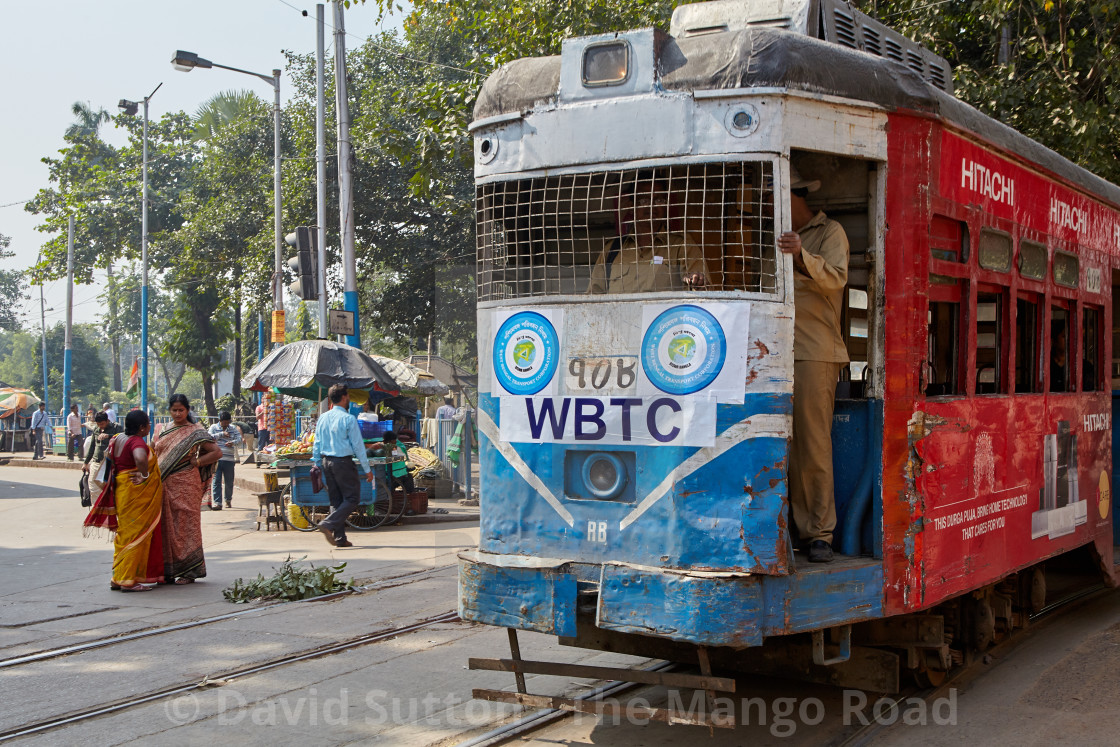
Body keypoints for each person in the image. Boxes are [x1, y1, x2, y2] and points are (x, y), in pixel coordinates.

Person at [777, 165, 849, 564]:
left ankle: (819, 533)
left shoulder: (830, 233)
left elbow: (836, 279)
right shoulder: (774, 236)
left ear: (796, 197)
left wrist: (800, 255)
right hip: (773, 350)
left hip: (814, 351)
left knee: (813, 445)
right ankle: (782, 524)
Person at [83, 410, 164, 591]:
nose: (149, 427)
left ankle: (118, 577)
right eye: (148, 424)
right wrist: (144, 474)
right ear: (142, 427)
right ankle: (127, 580)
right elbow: (140, 458)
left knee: (125, 534)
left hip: (122, 490)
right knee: (135, 535)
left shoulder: (118, 438)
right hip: (134, 493)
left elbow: (110, 457)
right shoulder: (136, 442)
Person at [587, 173, 708, 294]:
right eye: (644, 200)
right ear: (631, 206)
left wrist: (698, 283)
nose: (651, 206)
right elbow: (593, 298)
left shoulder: (680, 246)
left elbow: (703, 293)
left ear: (666, 205)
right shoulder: (612, 250)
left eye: (659, 200)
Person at [151, 394, 222, 584]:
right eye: (174, 410)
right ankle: (168, 571)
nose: (177, 413)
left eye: (181, 410)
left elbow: (216, 452)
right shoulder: (161, 429)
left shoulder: (195, 431)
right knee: (166, 525)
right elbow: (152, 451)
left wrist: (198, 461)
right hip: (164, 484)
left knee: (186, 526)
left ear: (187, 410)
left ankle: (189, 571)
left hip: (187, 484)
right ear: (169, 410)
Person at [312, 384, 376, 548]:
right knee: (352, 498)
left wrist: (317, 463)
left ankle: (340, 538)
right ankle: (328, 523)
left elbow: (316, 444)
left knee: (336, 500)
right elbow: (358, 446)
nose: (348, 399)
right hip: (343, 462)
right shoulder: (348, 419)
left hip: (327, 462)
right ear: (344, 397)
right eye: (347, 397)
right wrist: (367, 470)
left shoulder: (323, 418)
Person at [207, 411, 242, 510]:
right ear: (220, 421)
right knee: (216, 480)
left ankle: (228, 500)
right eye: (223, 423)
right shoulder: (214, 428)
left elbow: (239, 439)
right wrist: (221, 434)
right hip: (216, 459)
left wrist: (233, 442)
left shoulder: (233, 428)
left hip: (229, 459)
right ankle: (218, 502)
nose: (225, 425)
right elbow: (209, 438)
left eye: (227, 422)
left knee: (229, 481)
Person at [83, 411, 124, 491]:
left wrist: (109, 436)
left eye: (102, 424)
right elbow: (92, 447)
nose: (100, 426)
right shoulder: (96, 429)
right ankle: (95, 504)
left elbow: (122, 439)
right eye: (98, 424)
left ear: (107, 421)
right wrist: (86, 463)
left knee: (109, 489)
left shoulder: (116, 427)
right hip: (96, 463)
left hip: (110, 464)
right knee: (93, 488)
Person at [382, 430, 415, 495]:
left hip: (392, 478)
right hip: (402, 476)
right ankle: (409, 496)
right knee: (409, 477)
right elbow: (405, 458)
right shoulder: (400, 446)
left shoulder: (389, 447)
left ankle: (390, 498)